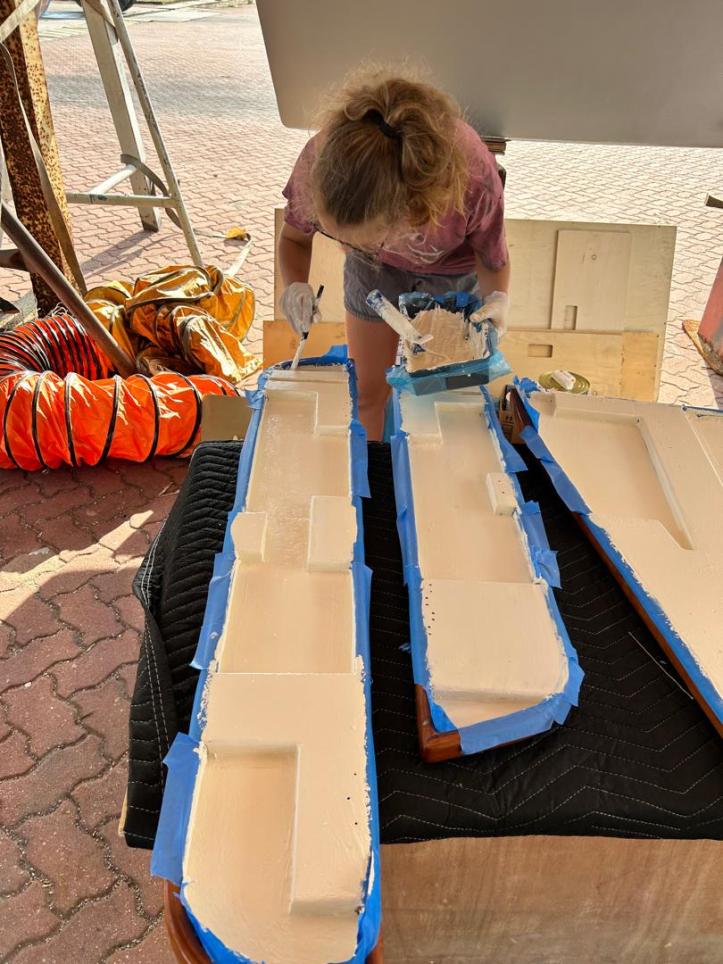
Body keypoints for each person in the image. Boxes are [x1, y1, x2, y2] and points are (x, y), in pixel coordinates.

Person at [278, 70, 510, 440]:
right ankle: (373, 477)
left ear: (413, 214)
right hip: (375, 275)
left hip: (451, 273)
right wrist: (294, 286)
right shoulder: (324, 164)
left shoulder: (471, 179)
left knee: (437, 402)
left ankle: (426, 480)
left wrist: (497, 300)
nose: (343, 248)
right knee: (368, 392)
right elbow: (294, 240)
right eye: (343, 239)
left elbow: (493, 259)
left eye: (359, 241)